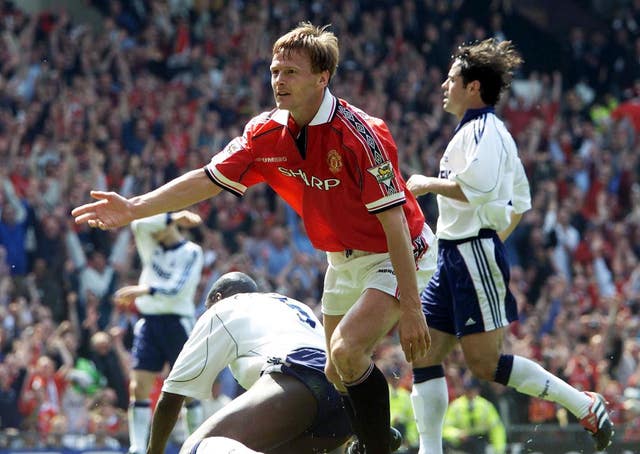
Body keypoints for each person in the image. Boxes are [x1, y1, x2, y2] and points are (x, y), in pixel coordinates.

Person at [72, 22, 437, 453]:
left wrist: (412, 307)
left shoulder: (361, 134)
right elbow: (207, 179)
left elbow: (394, 220)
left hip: (398, 252)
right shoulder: (265, 133)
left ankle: (377, 446)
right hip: (339, 260)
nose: (278, 81)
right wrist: (135, 207)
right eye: (274, 71)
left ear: (323, 78)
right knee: (336, 374)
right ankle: (379, 435)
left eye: (291, 72)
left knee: (345, 351)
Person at [405, 37, 613, 453]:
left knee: (484, 366)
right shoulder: (475, 133)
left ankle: (583, 403)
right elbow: (520, 200)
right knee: (422, 351)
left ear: (473, 86)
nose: (444, 87)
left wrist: (430, 187)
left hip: (470, 255)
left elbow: (480, 190)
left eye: (451, 80)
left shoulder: (487, 131)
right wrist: (489, 236)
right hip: (452, 254)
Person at [146, 271, 352, 454]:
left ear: (217, 298)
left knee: (197, 448)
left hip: (299, 376)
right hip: (346, 400)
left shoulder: (224, 307)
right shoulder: (294, 306)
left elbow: (171, 398)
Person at [114, 210, 205, 454]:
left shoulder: (192, 252)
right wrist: (174, 216)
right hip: (150, 322)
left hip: (177, 323)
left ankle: (194, 445)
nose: (150, 232)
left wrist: (144, 290)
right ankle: (137, 448)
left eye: (158, 226)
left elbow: (177, 287)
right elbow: (138, 224)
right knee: (138, 387)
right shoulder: (151, 245)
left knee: (188, 389)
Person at [442, 378, 506, 454]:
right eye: (468, 390)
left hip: (480, 442)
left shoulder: (485, 406)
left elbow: (496, 428)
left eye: (472, 390)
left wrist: (499, 450)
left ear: (477, 390)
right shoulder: (456, 406)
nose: (470, 393)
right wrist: (458, 434)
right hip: (460, 443)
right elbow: (444, 429)